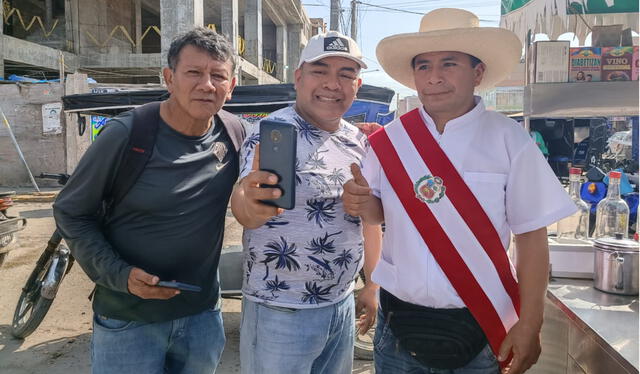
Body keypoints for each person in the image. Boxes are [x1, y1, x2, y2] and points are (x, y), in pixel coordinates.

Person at [342, 8, 577, 374]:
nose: (434, 78)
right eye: (423, 66)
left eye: (449, 64)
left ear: (477, 72)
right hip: (398, 326)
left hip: (481, 325)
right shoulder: (390, 142)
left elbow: (532, 239)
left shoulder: (509, 140)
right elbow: (378, 214)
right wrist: (361, 203)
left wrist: (531, 323)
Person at [53, 27, 244, 374]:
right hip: (129, 319)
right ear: (169, 78)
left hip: (202, 317)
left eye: (218, 76)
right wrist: (119, 275)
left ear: (231, 88)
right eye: (194, 73)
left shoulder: (234, 134)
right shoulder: (128, 133)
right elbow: (70, 211)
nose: (207, 84)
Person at [231, 30, 382, 374]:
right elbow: (244, 202)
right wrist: (249, 203)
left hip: (341, 304)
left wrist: (372, 284)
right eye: (321, 70)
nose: (333, 83)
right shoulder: (269, 132)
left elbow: (367, 219)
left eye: (346, 74)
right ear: (298, 78)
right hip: (279, 310)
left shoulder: (357, 140)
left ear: (356, 86)